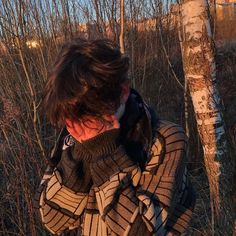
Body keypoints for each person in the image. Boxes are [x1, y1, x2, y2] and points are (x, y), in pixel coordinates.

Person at [35, 39, 195, 236]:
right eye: (72, 117)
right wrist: (81, 153)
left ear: (123, 91)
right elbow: (52, 220)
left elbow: (143, 231)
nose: (80, 124)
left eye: (91, 113)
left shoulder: (164, 140)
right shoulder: (72, 135)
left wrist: (107, 153)